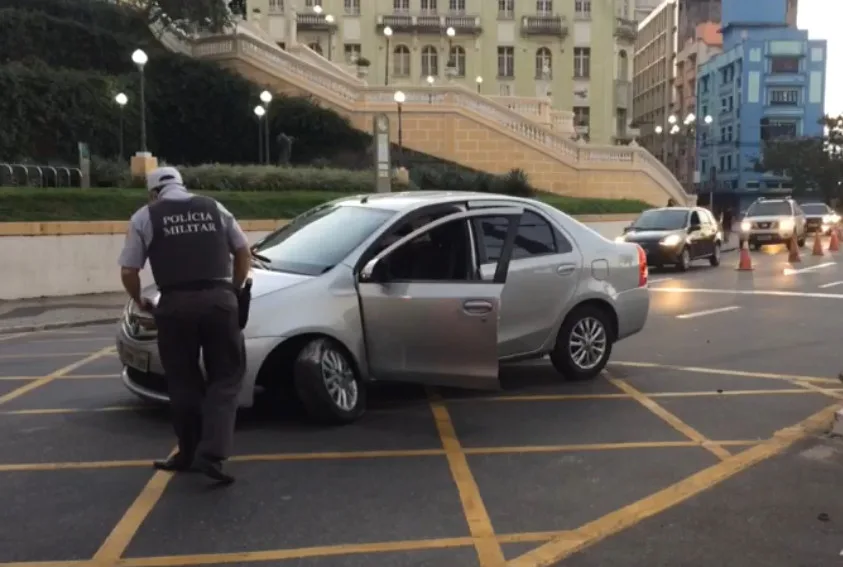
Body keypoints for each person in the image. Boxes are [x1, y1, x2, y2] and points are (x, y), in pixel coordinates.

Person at [117, 166, 252, 485]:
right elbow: (243, 251)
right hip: (219, 300)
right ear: (183, 185)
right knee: (227, 376)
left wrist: (140, 300)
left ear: (153, 192)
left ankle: (188, 452)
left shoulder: (144, 216)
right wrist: (234, 287)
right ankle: (213, 453)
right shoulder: (213, 207)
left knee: (182, 380)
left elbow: (128, 270)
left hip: (175, 305)